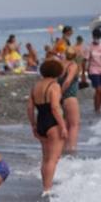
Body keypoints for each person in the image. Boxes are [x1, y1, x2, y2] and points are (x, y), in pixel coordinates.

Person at [28, 59, 68, 194]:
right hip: (53, 123)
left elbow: (29, 108)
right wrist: (63, 126)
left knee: (46, 158)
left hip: (41, 122)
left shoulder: (35, 86)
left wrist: (33, 125)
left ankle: (45, 186)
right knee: (53, 159)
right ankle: (47, 189)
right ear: (58, 72)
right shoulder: (54, 86)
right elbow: (55, 108)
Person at [85, 28, 101, 115]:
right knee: (98, 89)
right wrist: (84, 74)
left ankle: (98, 107)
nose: (96, 39)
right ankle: (96, 109)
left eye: (98, 37)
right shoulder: (89, 46)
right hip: (93, 69)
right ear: (92, 37)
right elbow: (85, 60)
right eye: (95, 37)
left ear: (100, 37)